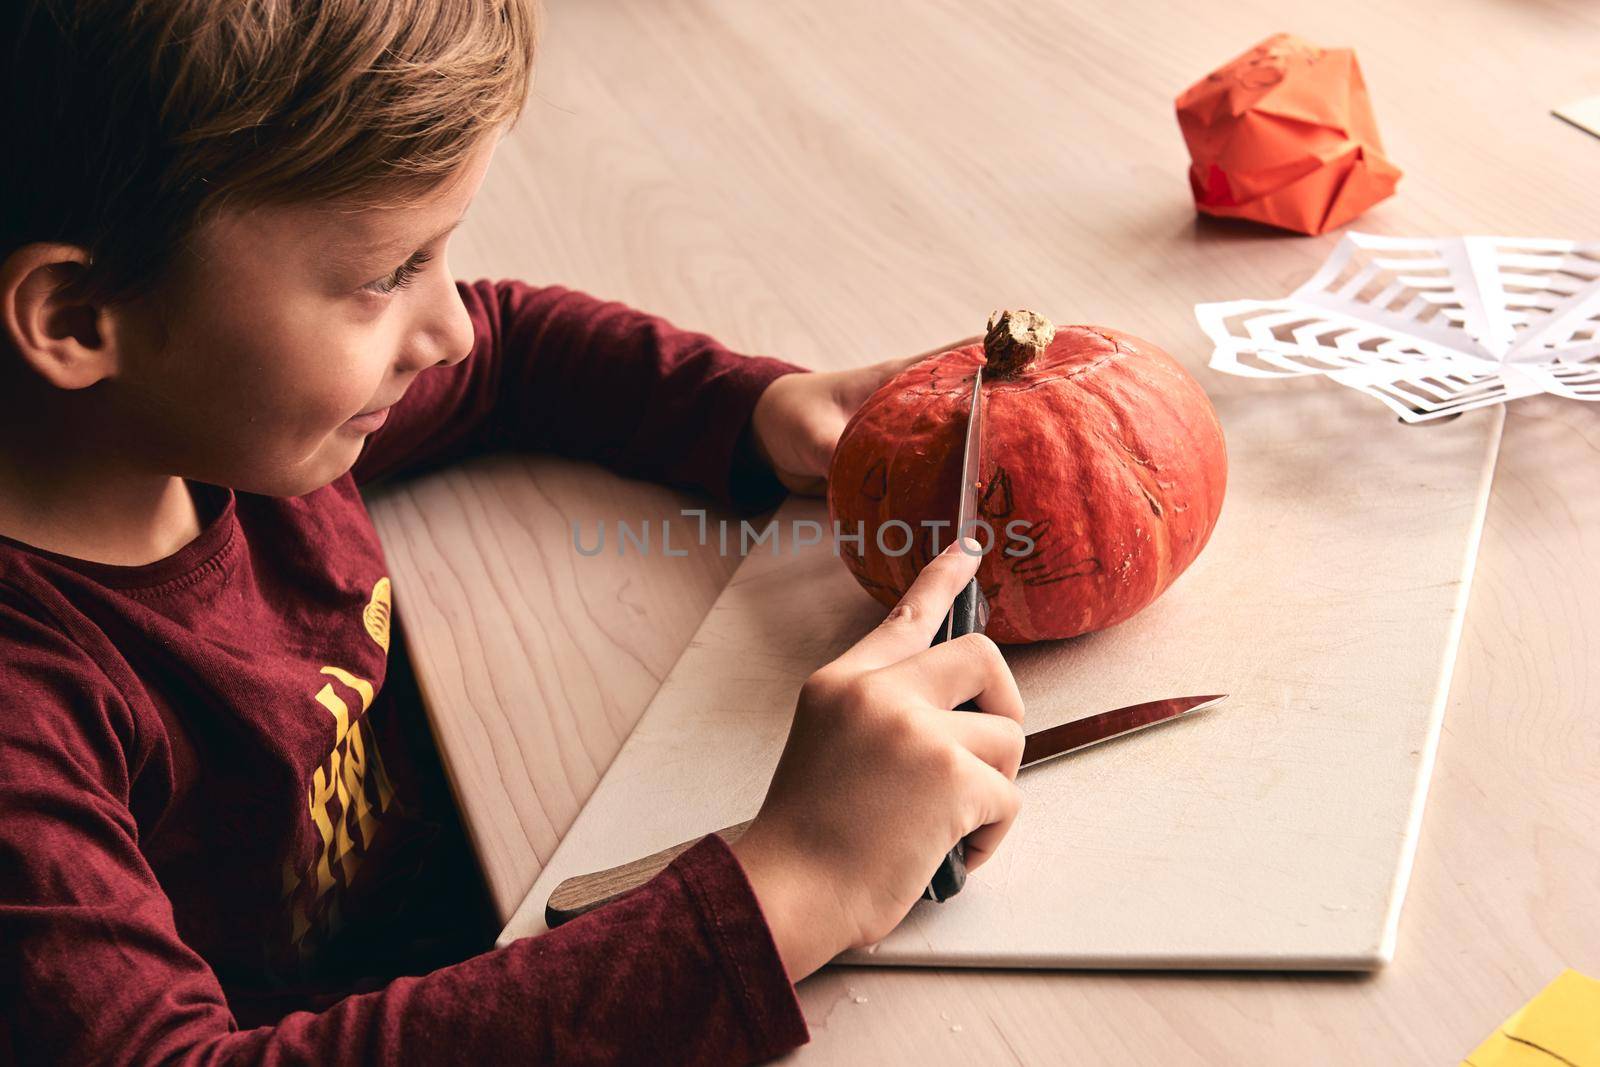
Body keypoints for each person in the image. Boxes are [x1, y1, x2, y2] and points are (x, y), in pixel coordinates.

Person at [0, 1, 1025, 1062]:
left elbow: (506, 349)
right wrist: (794, 883)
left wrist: (749, 409)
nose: (443, 328)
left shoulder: (205, 421)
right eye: (385, 275)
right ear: (79, 317)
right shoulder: (28, 710)